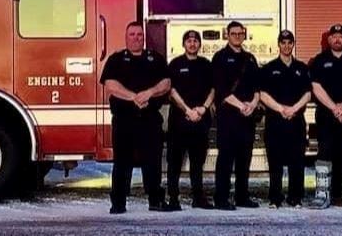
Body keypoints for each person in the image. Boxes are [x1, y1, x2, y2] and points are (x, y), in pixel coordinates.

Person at [100, 21, 173, 214]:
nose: (136, 38)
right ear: (126, 37)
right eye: (132, 34)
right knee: (122, 162)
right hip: (124, 120)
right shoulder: (116, 59)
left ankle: (156, 201)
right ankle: (118, 203)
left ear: (144, 37)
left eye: (139, 34)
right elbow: (110, 85)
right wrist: (135, 97)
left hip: (149, 119)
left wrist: (149, 93)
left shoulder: (155, 58)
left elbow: (166, 83)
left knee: (153, 162)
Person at [258, 29, 312, 209]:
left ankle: (295, 198)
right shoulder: (269, 68)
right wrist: (281, 109)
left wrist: (294, 109)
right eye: (283, 42)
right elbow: (262, 94)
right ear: (278, 44)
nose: (287, 46)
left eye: (290, 42)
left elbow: (308, 94)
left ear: (293, 44)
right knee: (275, 163)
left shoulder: (302, 68)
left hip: (296, 122)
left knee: (297, 163)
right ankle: (275, 198)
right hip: (275, 122)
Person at [309, 23, 342, 208]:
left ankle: (338, 194)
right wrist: (335, 109)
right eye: (334, 36)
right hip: (326, 115)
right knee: (324, 153)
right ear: (329, 39)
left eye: (341, 36)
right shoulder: (319, 60)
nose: (337, 39)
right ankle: (321, 193)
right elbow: (316, 87)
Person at [212, 21, 261, 210]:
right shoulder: (220, 58)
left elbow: (257, 87)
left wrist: (253, 104)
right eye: (234, 34)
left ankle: (242, 196)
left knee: (244, 158)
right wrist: (241, 105)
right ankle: (221, 198)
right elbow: (221, 89)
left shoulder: (250, 59)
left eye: (241, 33)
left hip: (247, 117)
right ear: (227, 35)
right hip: (229, 116)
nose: (238, 36)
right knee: (225, 158)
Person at [165, 30, 216, 211]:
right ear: (183, 44)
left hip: (200, 120)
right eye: (189, 41)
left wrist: (203, 109)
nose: (192, 44)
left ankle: (198, 198)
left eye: (195, 41)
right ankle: (173, 199)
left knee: (197, 163)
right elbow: (171, 91)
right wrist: (187, 110)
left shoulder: (206, 65)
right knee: (175, 163)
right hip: (180, 120)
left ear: (199, 44)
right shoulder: (175, 64)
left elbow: (213, 90)